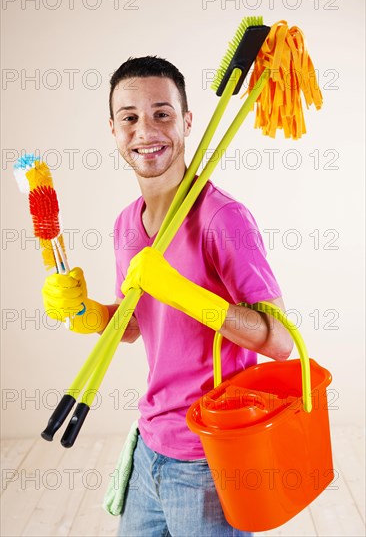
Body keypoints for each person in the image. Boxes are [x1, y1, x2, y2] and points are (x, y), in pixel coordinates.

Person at [42, 56, 293, 537]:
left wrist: (185, 292)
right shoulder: (124, 224)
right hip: (148, 448)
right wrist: (85, 312)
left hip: (210, 457)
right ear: (113, 129)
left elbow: (279, 341)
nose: (145, 131)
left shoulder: (223, 219)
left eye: (162, 113)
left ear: (187, 121)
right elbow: (134, 324)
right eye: (130, 118)